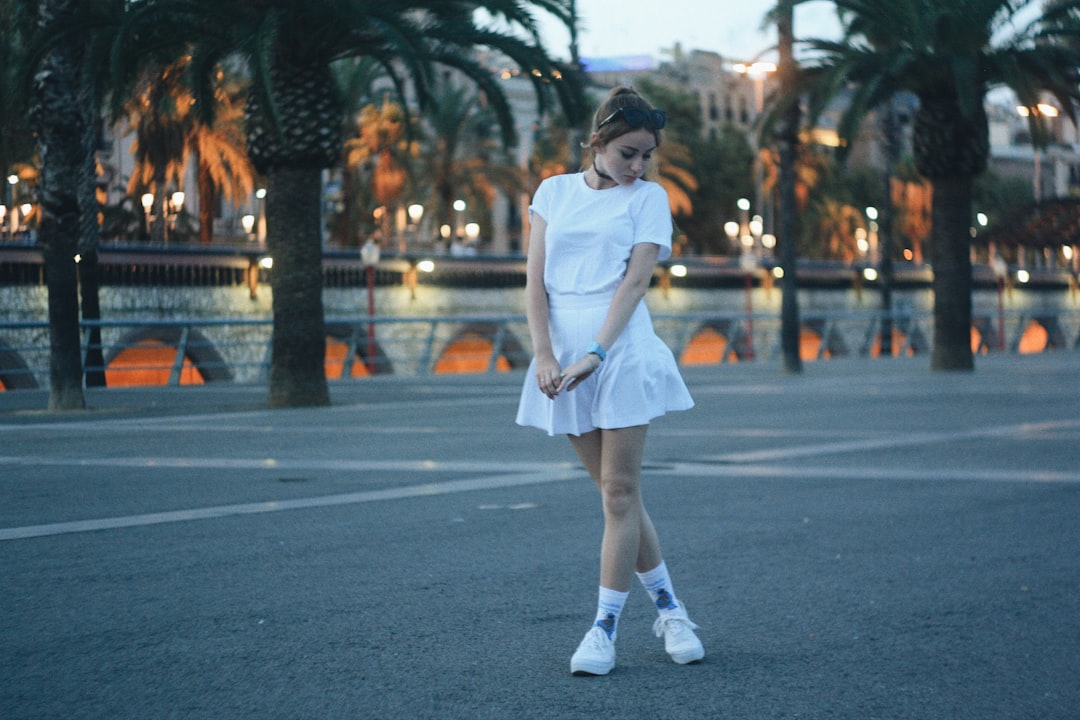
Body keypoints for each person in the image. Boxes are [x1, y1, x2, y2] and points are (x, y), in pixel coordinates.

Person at [515, 87, 703, 676]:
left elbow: (634, 283)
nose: (637, 166)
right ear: (596, 143)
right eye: (627, 153)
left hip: (618, 347)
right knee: (615, 494)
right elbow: (535, 283)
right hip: (562, 353)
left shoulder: (648, 199)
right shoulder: (553, 191)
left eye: (646, 155)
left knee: (619, 492)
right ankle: (671, 608)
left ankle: (603, 630)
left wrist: (597, 350)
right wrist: (544, 354)